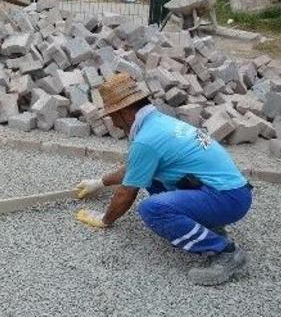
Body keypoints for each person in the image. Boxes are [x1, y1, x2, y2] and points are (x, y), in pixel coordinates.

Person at [74, 73, 253, 286]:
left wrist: (105, 219)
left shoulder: (147, 140)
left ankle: (225, 252)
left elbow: (126, 192)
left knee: (152, 209)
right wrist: (100, 182)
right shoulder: (160, 123)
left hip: (227, 198)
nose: (112, 122)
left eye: (112, 115)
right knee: (149, 176)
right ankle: (207, 225)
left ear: (124, 112)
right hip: (231, 191)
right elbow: (136, 168)